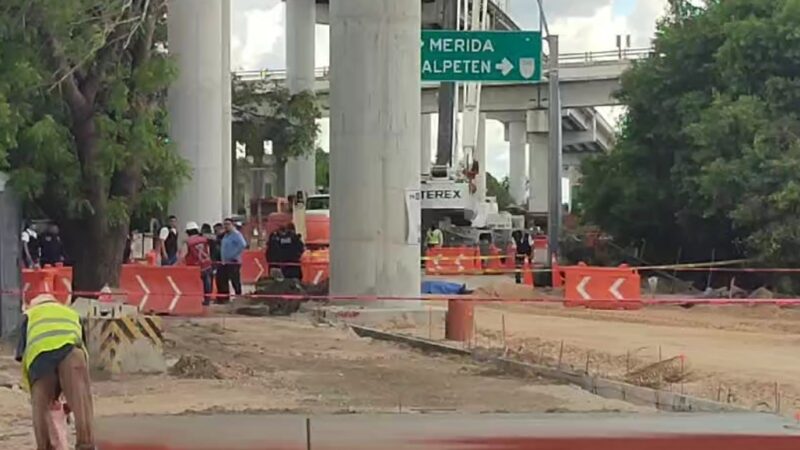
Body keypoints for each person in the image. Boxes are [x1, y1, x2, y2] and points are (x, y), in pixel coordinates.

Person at [15, 294, 95, 450]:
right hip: (73, 353)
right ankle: (86, 444)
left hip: (40, 357)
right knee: (82, 405)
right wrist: (71, 400)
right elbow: (82, 350)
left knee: (41, 408)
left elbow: (21, 355)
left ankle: (45, 446)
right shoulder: (72, 313)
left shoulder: (29, 315)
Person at [183, 222, 213, 306]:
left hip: (195, 266)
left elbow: (183, 254)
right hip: (207, 263)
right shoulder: (204, 239)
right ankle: (207, 299)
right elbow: (209, 250)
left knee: (194, 283)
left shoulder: (188, 242)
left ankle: (194, 299)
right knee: (207, 283)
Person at [218, 218, 247, 302]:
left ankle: (239, 297)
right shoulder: (226, 235)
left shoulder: (236, 234)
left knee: (235, 280)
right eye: (225, 224)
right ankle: (224, 298)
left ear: (232, 225)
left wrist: (233, 255)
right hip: (225, 262)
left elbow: (243, 245)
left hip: (233, 261)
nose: (226, 226)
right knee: (223, 280)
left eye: (228, 224)